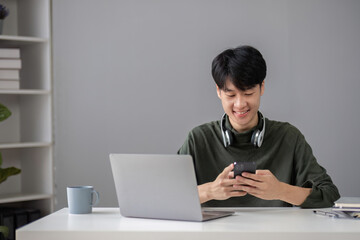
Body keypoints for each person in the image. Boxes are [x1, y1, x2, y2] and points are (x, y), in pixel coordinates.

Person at [178, 45, 340, 208]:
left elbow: (329, 193)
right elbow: (168, 195)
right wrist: (210, 191)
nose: (240, 104)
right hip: (213, 234)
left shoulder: (288, 137)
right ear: (219, 91)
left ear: (262, 87)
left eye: (248, 93)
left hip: (275, 233)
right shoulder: (198, 139)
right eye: (231, 95)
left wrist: (280, 191)